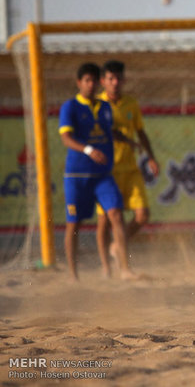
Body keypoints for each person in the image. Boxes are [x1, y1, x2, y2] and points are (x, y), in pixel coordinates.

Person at [59, 62, 136, 281]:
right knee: (74, 224)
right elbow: (66, 137)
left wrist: (129, 141)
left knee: (116, 215)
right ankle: (74, 276)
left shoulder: (104, 107)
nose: (91, 85)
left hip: (102, 175)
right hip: (77, 176)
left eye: (94, 80)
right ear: (79, 83)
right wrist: (88, 149)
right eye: (87, 80)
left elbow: (107, 131)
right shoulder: (70, 107)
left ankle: (124, 269)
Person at [95, 60, 160, 277]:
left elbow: (140, 132)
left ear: (124, 80)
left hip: (130, 168)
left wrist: (151, 157)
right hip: (106, 171)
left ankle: (117, 251)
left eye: (118, 79)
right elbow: (107, 132)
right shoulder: (97, 104)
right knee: (107, 218)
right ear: (102, 81)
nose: (114, 83)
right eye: (110, 79)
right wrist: (128, 142)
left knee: (142, 215)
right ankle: (110, 266)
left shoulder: (131, 103)